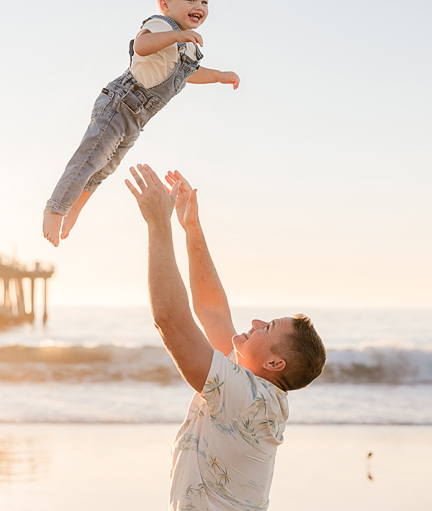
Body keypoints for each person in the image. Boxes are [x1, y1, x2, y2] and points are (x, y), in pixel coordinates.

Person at [124, 164, 326, 511]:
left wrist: (159, 225)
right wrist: (191, 227)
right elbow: (213, 312)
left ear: (275, 362)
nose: (256, 321)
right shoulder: (252, 387)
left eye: (268, 327)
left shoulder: (249, 400)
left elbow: (170, 320)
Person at [42, 0, 240, 247]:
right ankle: (55, 207)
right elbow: (142, 47)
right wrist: (176, 35)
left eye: (204, 1)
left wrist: (219, 76)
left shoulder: (189, 47)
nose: (199, 6)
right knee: (91, 157)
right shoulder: (162, 26)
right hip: (119, 104)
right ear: (165, 4)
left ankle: (74, 208)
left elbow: (189, 73)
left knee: (105, 167)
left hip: (137, 119)